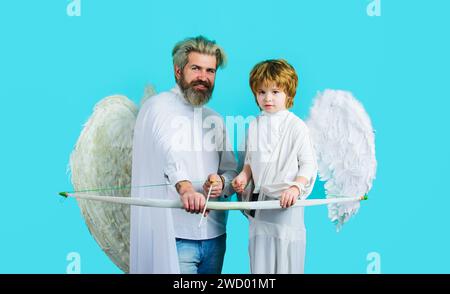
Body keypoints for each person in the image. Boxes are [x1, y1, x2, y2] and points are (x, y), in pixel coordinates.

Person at [130, 36, 238, 274]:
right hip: (175, 238)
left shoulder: (215, 119)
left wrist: (222, 183)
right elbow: (167, 150)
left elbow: (231, 169)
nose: (203, 77)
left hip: (215, 236)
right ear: (178, 70)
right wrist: (186, 187)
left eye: (210, 70)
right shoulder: (158, 106)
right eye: (196, 68)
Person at [232, 59, 318, 274]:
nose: (267, 98)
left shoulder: (296, 126)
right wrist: (243, 176)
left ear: (288, 94)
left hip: (286, 208)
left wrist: (295, 188)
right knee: (261, 263)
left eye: (275, 91)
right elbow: (251, 160)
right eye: (261, 92)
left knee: (286, 263)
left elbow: (308, 164)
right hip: (262, 206)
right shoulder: (254, 125)